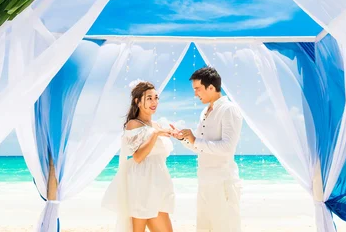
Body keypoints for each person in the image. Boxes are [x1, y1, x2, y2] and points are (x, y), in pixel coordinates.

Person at [174, 66, 244, 232]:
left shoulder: (229, 109)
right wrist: (183, 138)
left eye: (198, 89)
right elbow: (200, 147)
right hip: (204, 182)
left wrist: (195, 140)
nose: (195, 94)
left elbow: (227, 147)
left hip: (223, 183)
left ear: (211, 87)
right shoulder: (205, 112)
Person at [102, 80, 178, 232]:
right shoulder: (133, 124)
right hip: (141, 183)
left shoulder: (156, 125)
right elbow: (137, 157)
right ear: (137, 101)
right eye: (149, 98)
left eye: (156, 97)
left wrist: (177, 135)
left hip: (159, 183)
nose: (154, 102)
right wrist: (155, 135)